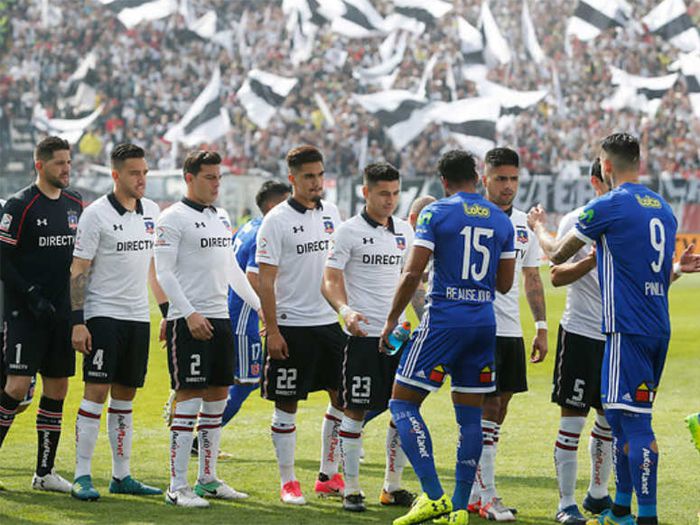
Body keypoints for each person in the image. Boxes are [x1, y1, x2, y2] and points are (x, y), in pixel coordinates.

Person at [527, 133, 700, 525]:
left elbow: (555, 255)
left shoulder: (610, 205)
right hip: (656, 327)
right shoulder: (663, 209)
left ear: (605, 167)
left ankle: (647, 517)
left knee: (634, 424)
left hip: (625, 330)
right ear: (639, 162)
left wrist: (538, 226)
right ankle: (620, 509)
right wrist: (676, 270)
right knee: (619, 420)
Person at [382, 149, 516, 525]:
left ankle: (434, 495)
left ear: (443, 181)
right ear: (477, 177)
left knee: (402, 404)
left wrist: (392, 319)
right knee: (470, 418)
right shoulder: (501, 220)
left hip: (443, 320)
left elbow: (412, 275)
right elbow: (505, 284)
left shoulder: (436, 212)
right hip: (483, 323)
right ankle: (458, 508)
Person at [154, 150, 261, 508]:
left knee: (216, 402)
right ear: (189, 177)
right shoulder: (172, 218)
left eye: (219, 178)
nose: (216, 184)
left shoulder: (221, 216)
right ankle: (176, 486)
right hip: (190, 322)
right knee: (188, 400)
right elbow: (163, 272)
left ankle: (208, 479)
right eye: (209, 177)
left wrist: (261, 308)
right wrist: (186, 313)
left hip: (220, 319)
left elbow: (231, 268)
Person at [68, 143, 163, 500]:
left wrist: (167, 313)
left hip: (138, 316)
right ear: (116, 175)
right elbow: (78, 271)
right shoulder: (95, 215)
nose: (142, 179)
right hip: (102, 314)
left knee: (126, 396)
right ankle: (81, 474)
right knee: (95, 393)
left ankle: (121, 475)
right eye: (135, 173)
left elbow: (155, 266)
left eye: (144, 172)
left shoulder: (152, 211)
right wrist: (78, 321)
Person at [321, 162, 416, 512]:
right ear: (366, 192)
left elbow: (412, 284)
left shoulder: (405, 231)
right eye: (383, 194)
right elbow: (328, 280)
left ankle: (392, 486)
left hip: (399, 338)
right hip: (362, 336)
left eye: (395, 193)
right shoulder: (347, 232)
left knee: (402, 411)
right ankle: (351, 488)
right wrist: (345, 311)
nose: (390, 200)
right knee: (355, 408)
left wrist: (424, 323)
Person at [256, 145, 345, 504]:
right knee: (287, 404)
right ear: (292, 178)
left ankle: (328, 473)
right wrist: (273, 330)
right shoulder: (275, 220)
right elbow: (265, 280)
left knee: (343, 398)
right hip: (292, 327)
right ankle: (288, 481)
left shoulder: (333, 213)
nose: (316, 182)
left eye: (320, 175)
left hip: (329, 323)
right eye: (308, 176)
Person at [0, 136, 83, 492]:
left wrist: (77, 310)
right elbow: (2, 258)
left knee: (58, 389)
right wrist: (30, 294)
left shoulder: (75, 203)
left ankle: (45, 473)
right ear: (40, 165)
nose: (66, 169)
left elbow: (79, 263)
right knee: (16, 387)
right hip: (24, 313)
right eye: (59, 163)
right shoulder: (20, 205)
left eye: (68, 162)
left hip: (61, 316)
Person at [469, 147, 548, 522]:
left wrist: (542, 328)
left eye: (514, 179)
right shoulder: (471, 216)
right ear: (485, 179)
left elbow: (532, 277)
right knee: (484, 409)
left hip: (510, 330)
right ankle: (486, 494)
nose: (508, 186)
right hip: (477, 327)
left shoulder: (523, 225)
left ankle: (475, 489)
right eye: (500, 178)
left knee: (500, 409)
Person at [533, 159, 613, 524]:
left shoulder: (630, 221)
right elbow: (555, 275)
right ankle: (565, 503)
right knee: (573, 422)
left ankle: (598, 494)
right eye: (608, 180)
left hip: (617, 335)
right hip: (581, 333)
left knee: (610, 420)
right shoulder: (577, 220)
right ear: (595, 181)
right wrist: (591, 262)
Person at [189, 180, 291, 458]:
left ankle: (203, 435)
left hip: (230, 311)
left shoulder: (250, 226)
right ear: (273, 205)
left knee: (229, 380)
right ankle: (201, 438)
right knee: (245, 381)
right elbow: (253, 276)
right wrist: (268, 314)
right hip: (241, 317)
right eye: (286, 202)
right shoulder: (263, 233)